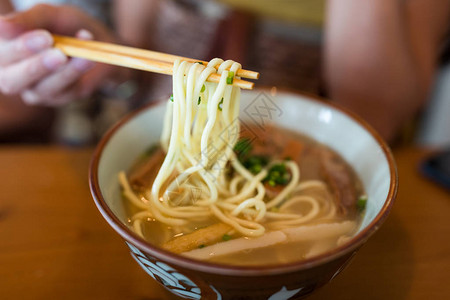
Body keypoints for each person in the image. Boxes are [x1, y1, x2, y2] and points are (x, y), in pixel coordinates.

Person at [1, 0, 449, 143]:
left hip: (317, 146)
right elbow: (134, 67)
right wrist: (101, 60)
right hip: (150, 138)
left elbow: (371, 117)